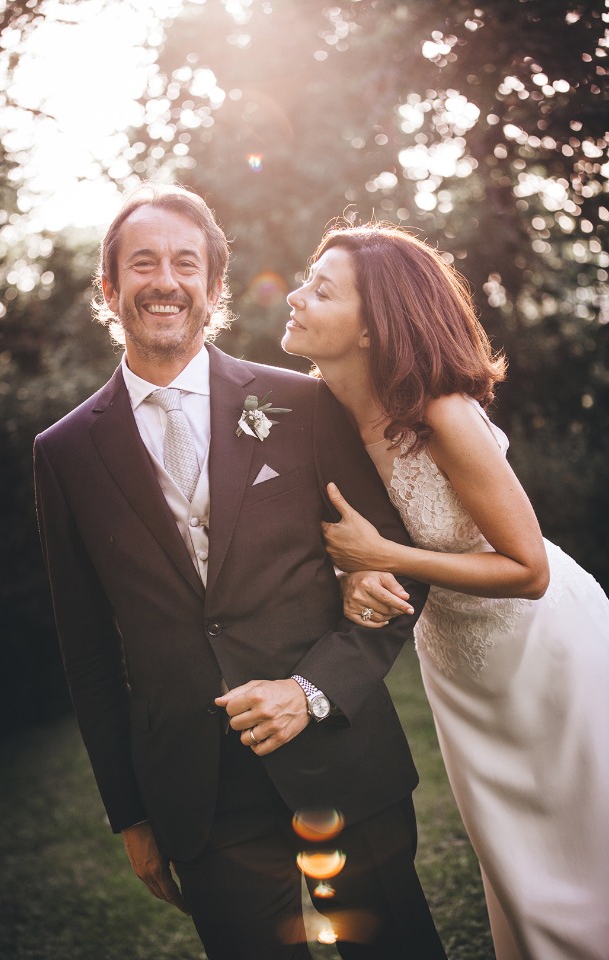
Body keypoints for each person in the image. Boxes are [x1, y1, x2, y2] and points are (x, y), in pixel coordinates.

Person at [33, 184, 448, 960]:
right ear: (110, 288)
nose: (166, 281)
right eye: (143, 263)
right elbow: (87, 650)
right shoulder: (63, 453)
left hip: (343, 763)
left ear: (214, 287)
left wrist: (311, 691)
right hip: (198, 792)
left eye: (186, 263)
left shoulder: (303, 404)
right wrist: (130, 813)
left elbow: (395, 569)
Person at [282, 222, 609, 960]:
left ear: (372, 330)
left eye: (322, 290)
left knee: (590, 853)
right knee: (519, 866)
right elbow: (347, 544)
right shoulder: (320, 417)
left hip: (545, 653)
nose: (296, 298)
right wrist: (355, 573)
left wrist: (382, 553)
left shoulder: (442, 415)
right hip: (459, 667)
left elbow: (529, 570)